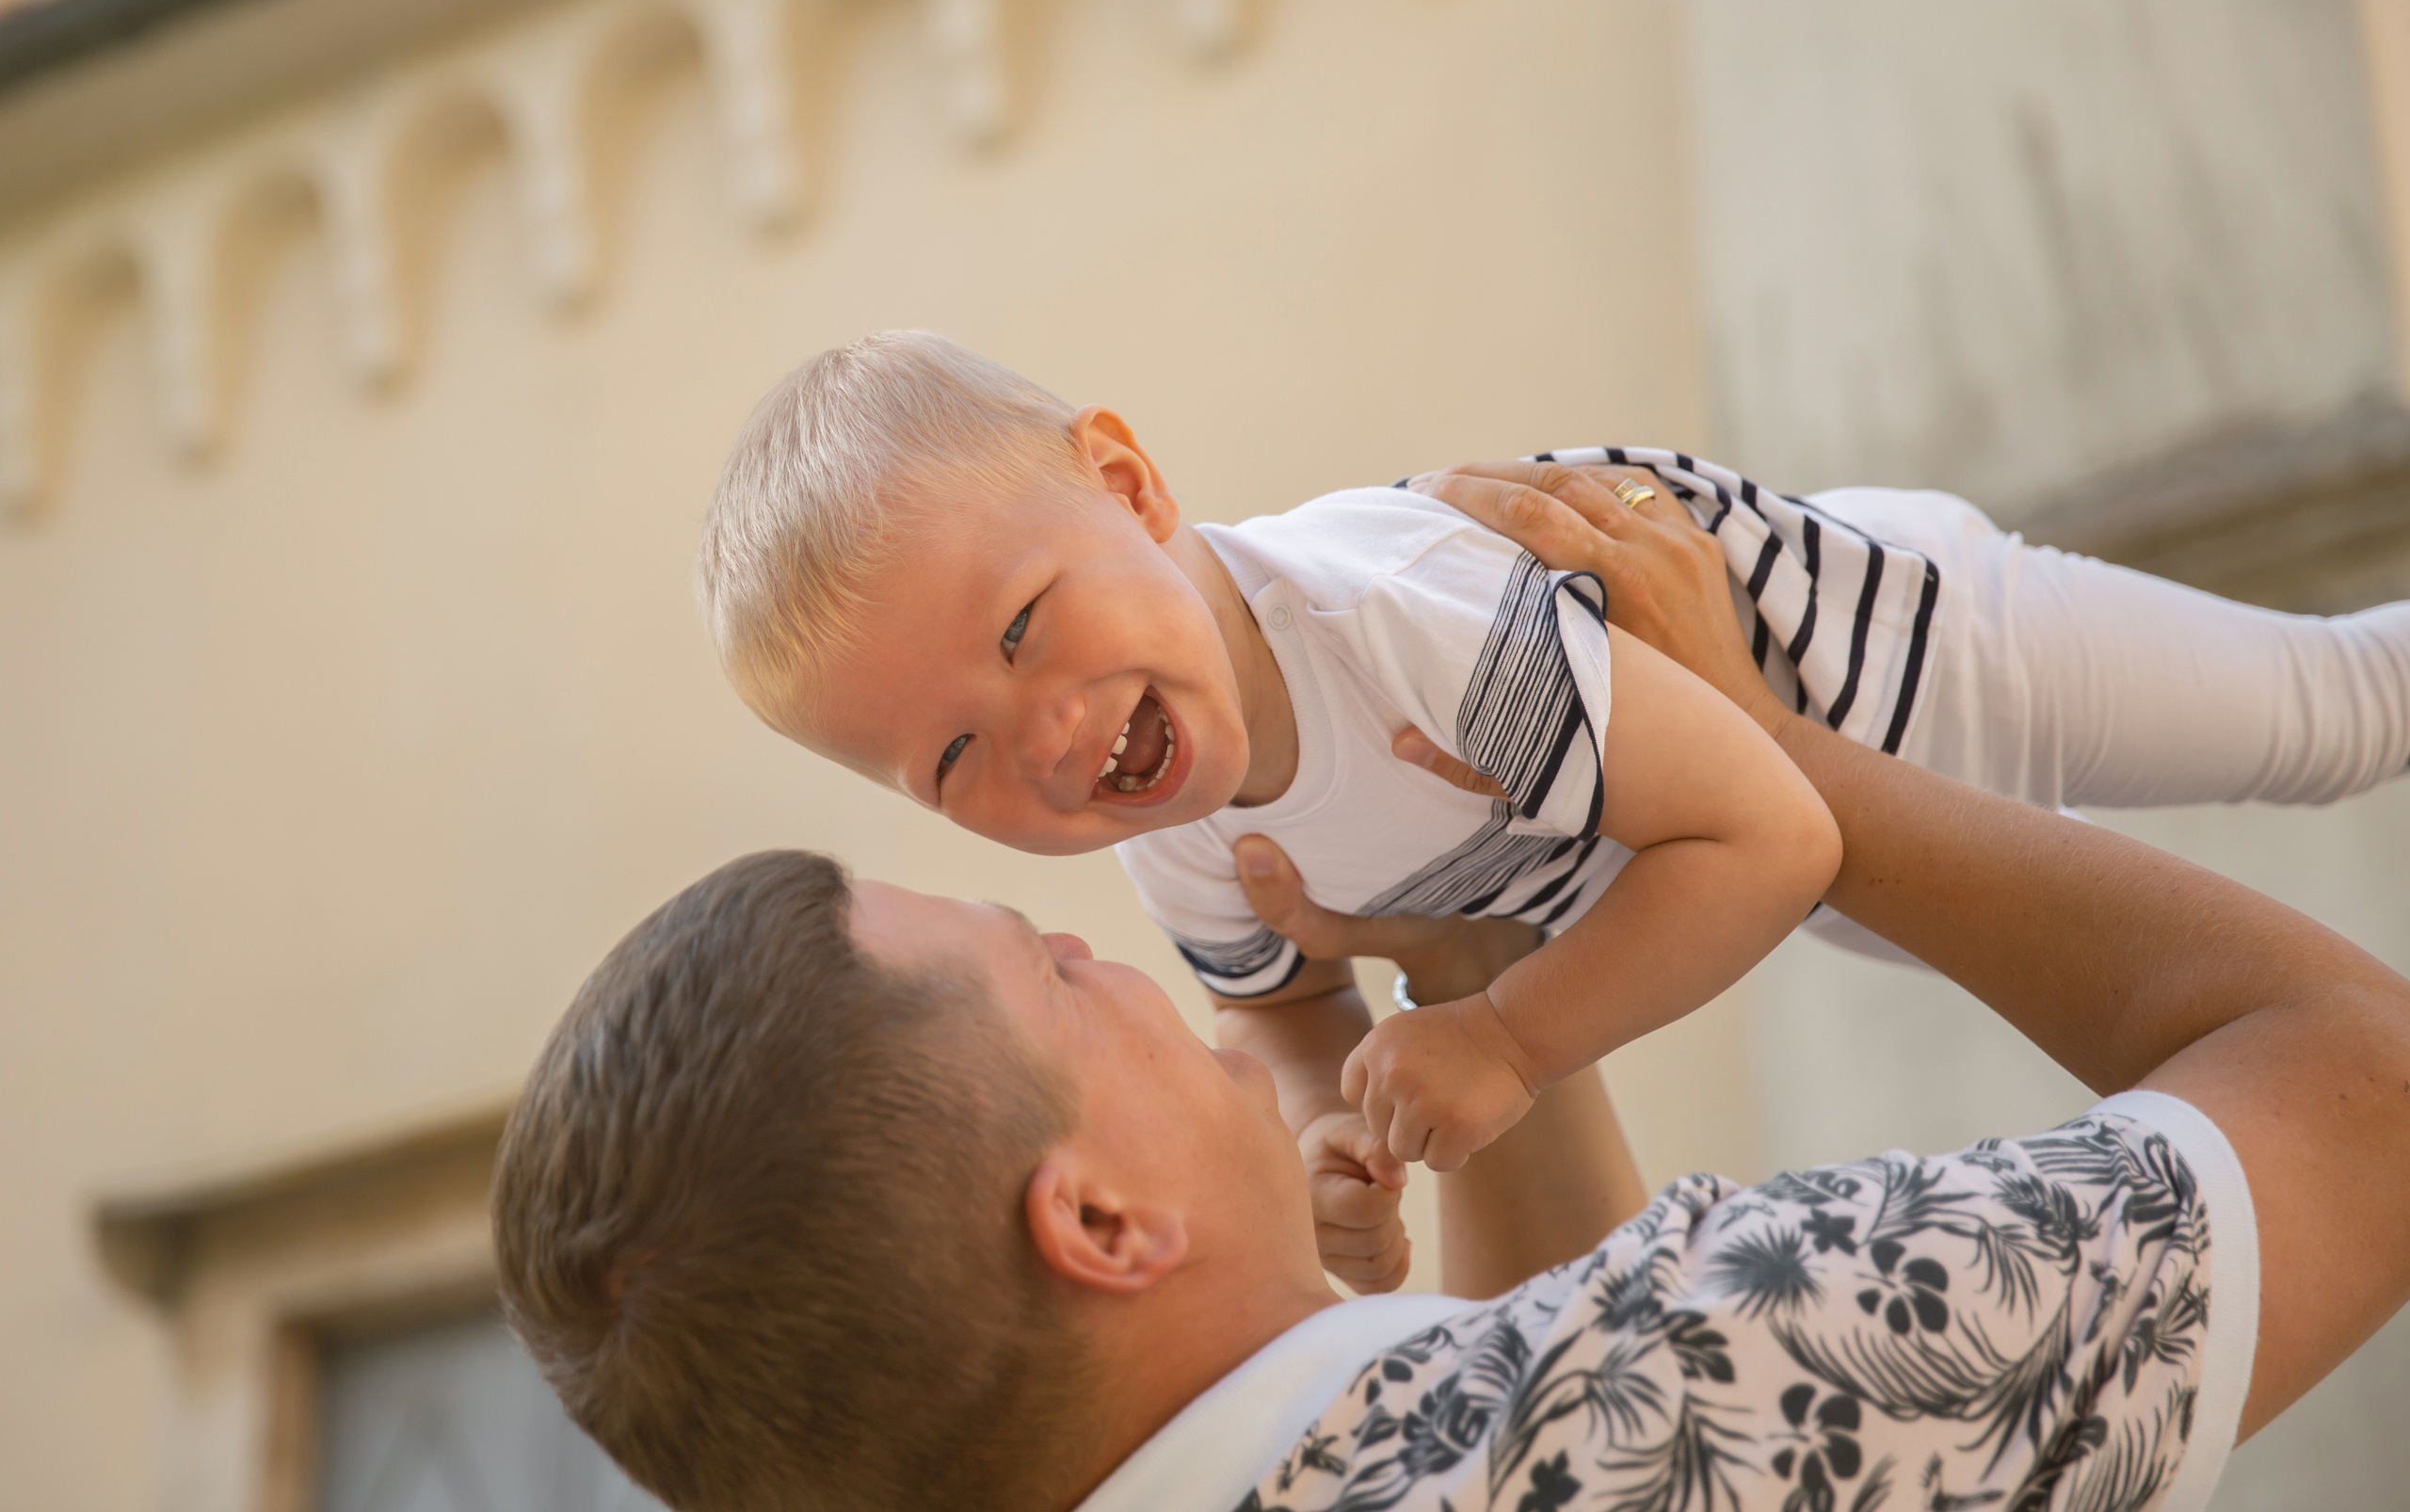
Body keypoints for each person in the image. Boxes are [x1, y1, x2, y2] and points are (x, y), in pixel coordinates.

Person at [490, 472, 2410, 1511]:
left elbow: (1495, 1362)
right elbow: (2365, 1099)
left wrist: (1456, 943)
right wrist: (1754, 746)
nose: (1148, 984)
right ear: (1091, 1217)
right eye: (1057, 971)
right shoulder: (1707, 1374)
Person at [692, 330, 2410, 1292]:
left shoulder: (1392, 623)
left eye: (1023, 629)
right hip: (1799, 868)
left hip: (1896, 661)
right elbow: (1289, 1016)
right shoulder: (1179, 835)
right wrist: (1325, 1152)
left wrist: (1505, 1040)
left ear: (1132, 488)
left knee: (2328, 715)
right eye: (954, 761)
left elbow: (1770, 829)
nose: (1049, 736)